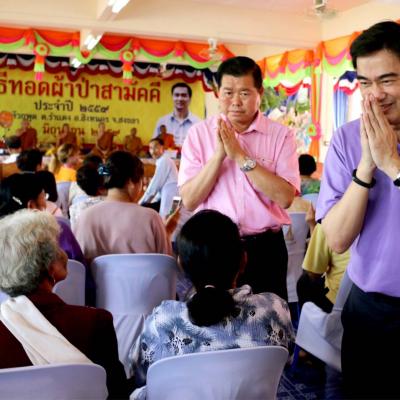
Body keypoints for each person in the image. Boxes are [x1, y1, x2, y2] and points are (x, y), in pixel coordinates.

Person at [316, 21, 400, 398]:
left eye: (388, 80)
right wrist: (366, 167)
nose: (375, 95)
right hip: (370, 309)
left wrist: (392, 164)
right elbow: (336, 239)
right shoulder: (348, 138)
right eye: (365, 83)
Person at [130, 210, 294, 395]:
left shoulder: (161, 322)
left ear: (181, 264)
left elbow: (140, 374)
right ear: (243, 260)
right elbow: (285, 362)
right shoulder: (275, 310)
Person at [178, 56, 300, 300]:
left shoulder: (281, 136)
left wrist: (240, 156)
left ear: (259, 93)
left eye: (244, 93)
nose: (235, 102)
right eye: (228, 93)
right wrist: (219, 156)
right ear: (217, 93)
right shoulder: (199, 134)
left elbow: (286, 197)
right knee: (214, 321)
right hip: (213, 249)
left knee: (268, 317)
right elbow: (190, 200)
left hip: (264, 248)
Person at [0, 209, 128, 398]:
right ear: (49, 266)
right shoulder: (95, 322)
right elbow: (117, 393)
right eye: (57, 247)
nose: (63, 253)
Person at [73, 151, 171, 262]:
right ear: (130, 183)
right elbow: (165, 264)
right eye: (142, 181)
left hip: (96, 274)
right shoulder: (151, 218)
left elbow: (77, 264)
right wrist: (167, 232)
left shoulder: (86, 217)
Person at [296, 223, 350, 313]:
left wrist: (312, 224)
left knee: (304, 282)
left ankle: (309, 320)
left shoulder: (326, 222)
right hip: (371, 298)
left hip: (341, 300)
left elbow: (313, 271)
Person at [152, 82, 201, 147]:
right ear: (172, 97)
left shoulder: (198, 123)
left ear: (190, 99)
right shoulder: (162, 121)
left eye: (184, 95)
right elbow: (153, 145)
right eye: (176, 95)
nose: (180, 99)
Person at [139, 138, 178, 217]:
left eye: (156, 147)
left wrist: (139, 204)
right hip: (172, 198)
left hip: (171, 198)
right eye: (150, 148)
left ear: (162, 147)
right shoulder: (162, 160)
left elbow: (154, 187)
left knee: (167, 221)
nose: (153, 151)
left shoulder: (164, 161)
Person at [69, 163, 105, 230]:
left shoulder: (75, 208)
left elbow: (74, 232)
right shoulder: (111, 203)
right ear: (102, 182)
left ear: (79, 186)